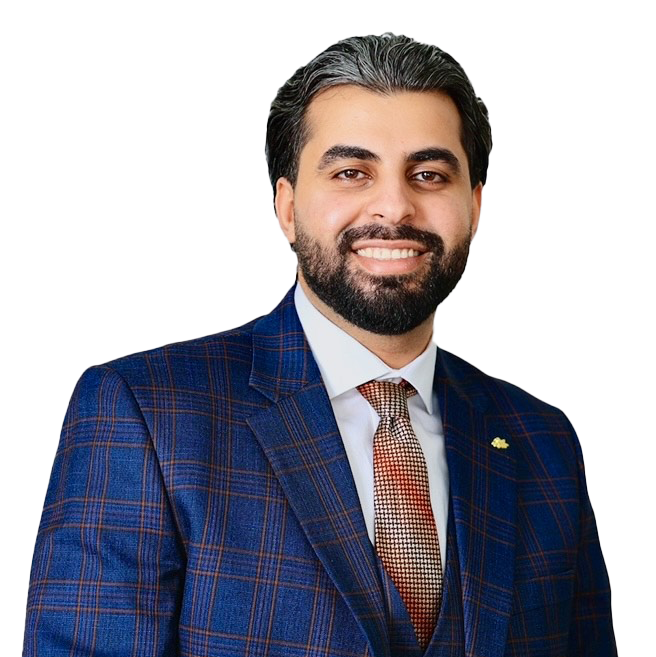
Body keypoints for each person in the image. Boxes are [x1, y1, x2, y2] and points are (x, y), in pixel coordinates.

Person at [23, 32, 617, 657]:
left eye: (429, 174)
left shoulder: (542, 441)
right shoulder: (144, 412)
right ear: (287, 208)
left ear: (473, 206)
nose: (395, 207)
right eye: (351, 173)